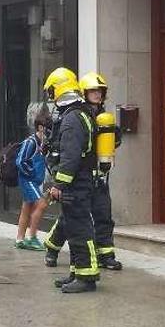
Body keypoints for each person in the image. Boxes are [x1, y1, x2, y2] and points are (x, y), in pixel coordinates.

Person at [42, 67, 100, 293]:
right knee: (74, 229)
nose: (50, 98)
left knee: (80, 230)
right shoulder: (78, 113)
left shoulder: (72, 118)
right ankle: (77, 273)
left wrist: (59, 185)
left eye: (51, 92)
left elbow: (70, 158)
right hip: (79, 182)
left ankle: (87, 277)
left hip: (77, 184)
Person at [80, 71, 123, 270]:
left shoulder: (105, 116)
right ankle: (52, 247)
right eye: (93, 91)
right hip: (82, 174)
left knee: (103, 215)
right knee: (71, 218)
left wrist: (112, 135)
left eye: (100, 91)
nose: (97, 95)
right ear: (84, 93)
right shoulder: (79, 115)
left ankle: (106, 255)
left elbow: (116, 141)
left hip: (101, 175)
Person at [13, 109, 52, 251]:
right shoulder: (31, 142)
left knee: (27, 208)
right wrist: (31, 173)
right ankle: (32, 237)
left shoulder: (43, 143)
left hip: (35, 180)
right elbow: (20, 161)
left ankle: (20, 239)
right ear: (41, 127)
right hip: (28, 180)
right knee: (41, 205)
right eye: (48, 128)